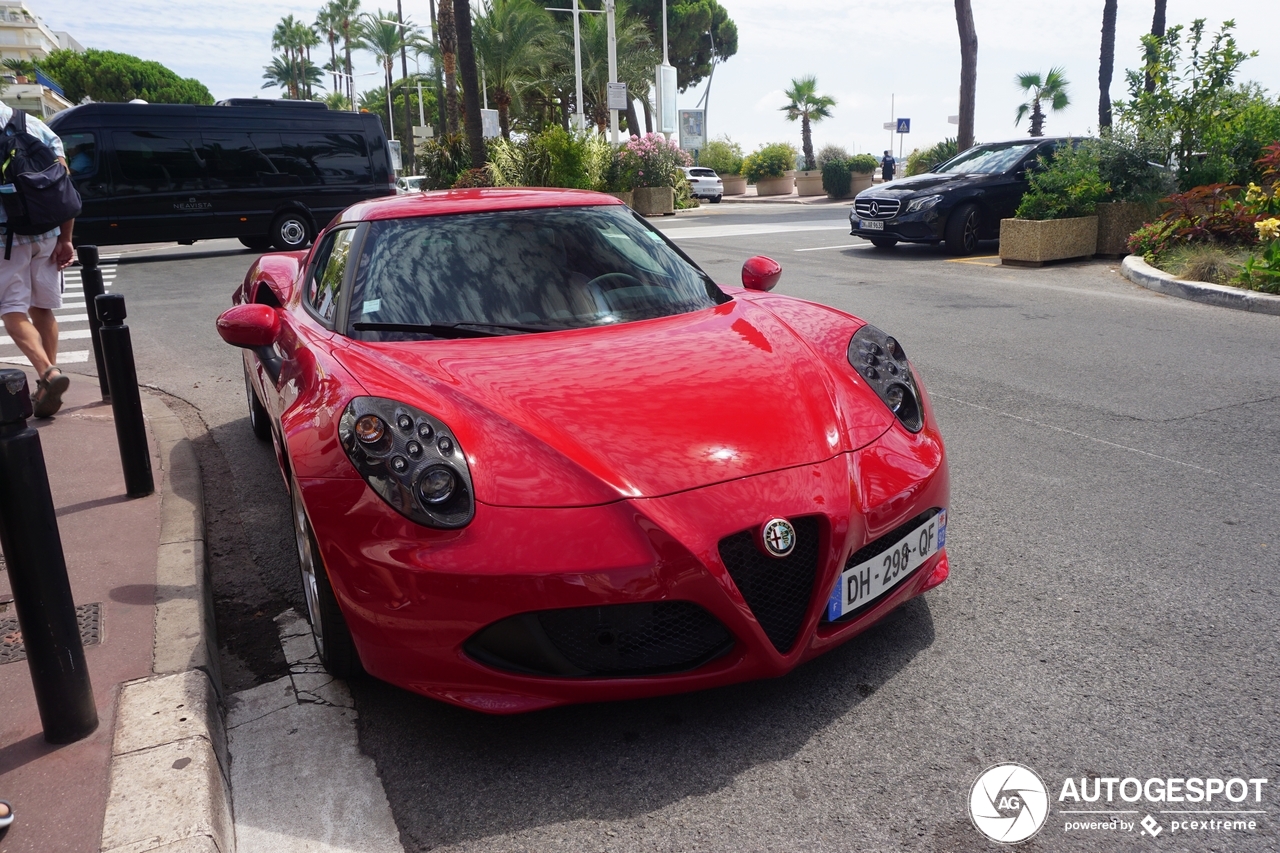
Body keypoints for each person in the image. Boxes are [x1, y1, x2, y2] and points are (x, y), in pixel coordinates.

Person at [0, 101, 75, 418]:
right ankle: (47, 386)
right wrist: (66, 239)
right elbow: (62, 183)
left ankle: (48, 373)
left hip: (6, 237)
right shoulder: (32, 124)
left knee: (12, 310)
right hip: (46, 231)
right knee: (41, 308)